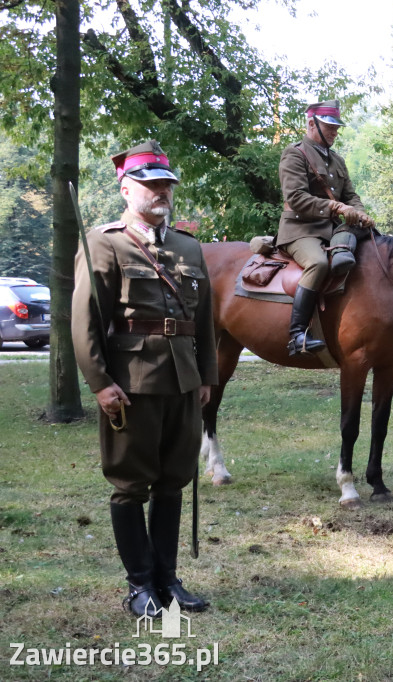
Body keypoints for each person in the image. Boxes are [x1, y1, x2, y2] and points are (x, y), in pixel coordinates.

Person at [72, 141, 218, 617]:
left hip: (182, 380)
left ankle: (166, 580)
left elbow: (206, 321)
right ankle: (139, 586)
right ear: (126, 188)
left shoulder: (188, 247)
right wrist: (99, 382)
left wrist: (206, 376)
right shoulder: (104, 242)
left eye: (166, 184)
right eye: (151, 184)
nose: (161, 192)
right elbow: (85, 320)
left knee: (174, 480)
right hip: (130, 381)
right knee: (131, 483)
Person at [277, 99, 375, 356]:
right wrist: (337, 208)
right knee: (318, 263)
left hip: (333, 230)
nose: (335, 132)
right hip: (300, 230)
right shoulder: (294, 154)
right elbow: (296, 198)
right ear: (311, 124)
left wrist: (360, 213)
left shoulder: (338, 161)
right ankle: (297, 334)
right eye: (329, 127)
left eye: (336, 127)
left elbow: (351, 195)